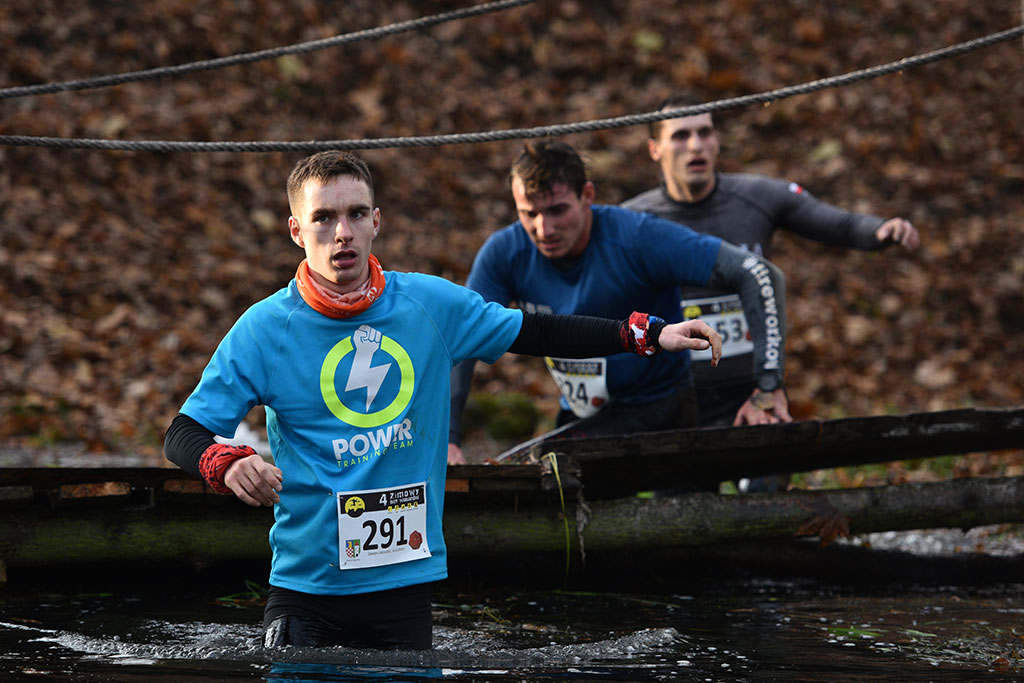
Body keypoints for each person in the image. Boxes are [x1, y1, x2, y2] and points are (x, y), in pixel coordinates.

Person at [163, 150, 723, 650]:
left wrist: (641, 334)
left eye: (357, 214)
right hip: (306, 592)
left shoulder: (429, 305)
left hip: (403, 589)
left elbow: (536, 331)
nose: (343, 233)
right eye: (324, 218)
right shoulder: (266, 329)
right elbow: (183, 433)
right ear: (296, 231)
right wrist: (223, 460)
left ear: (376, 221)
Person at [622, 93, 920, 492]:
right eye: (680, 136)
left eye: (705, 132)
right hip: (677, 399)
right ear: (654, 149)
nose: (695, 145)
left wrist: (879, 231)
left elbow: (837, 222)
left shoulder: (755, 197)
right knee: (683, 518)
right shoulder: (632, 220)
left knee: (764, 501)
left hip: (753, 392)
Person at [448, 140, 788, 467]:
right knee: (553, 476)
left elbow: (758, 273)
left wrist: (768, 386)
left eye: (557, 210)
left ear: (587, 196)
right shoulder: (505, 252)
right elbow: (464, 332)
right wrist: (448, 438)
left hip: (659, 407)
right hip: (584, 413)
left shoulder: (637, 237)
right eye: (529, 213)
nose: (544, 228)